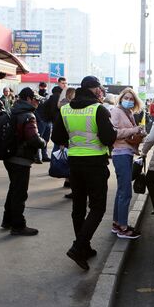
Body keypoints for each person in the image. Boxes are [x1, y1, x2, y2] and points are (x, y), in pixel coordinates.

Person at [52, 75, 117, 270]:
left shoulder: (65, 109)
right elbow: (108, 139)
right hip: (95, 163)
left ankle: (85, 247)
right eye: (99, 88)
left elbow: (57, 137)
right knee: (97, 207)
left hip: (75, 163)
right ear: (94, 89)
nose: (101, 91)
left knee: (78, 207)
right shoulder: (98, 109)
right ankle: (78, 247)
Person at [2, 87, 45, 236]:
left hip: (9, 156)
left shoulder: (13, 110)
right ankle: (18, 226)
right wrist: (43, 142)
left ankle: (7, 220)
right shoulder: (28, 115)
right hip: (21, 158)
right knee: (19, 193)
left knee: (13, 189)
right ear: (28, 98)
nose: (37, 102)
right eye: (35, 99)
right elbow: (33, 138)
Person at [110, 88, 145, 239]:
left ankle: (117, 223)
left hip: (126, 152)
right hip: (120, 153)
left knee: (121, 191)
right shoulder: (116, 111)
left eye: (132, 99)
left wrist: (139, 133)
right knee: (125, 192)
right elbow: (114, 133)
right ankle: (123, 228)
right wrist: (134, 130)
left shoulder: (128, 112)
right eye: (127, 98)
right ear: (121, 98)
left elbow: (128, 132)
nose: (129, 101)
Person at [58, 87, 76, 198]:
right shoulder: (67, 106)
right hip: (70, 141)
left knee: (68, 163)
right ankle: (68, 181)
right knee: (69, 164)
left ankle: (68, 181)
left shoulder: (64, 105)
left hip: (69, 141)